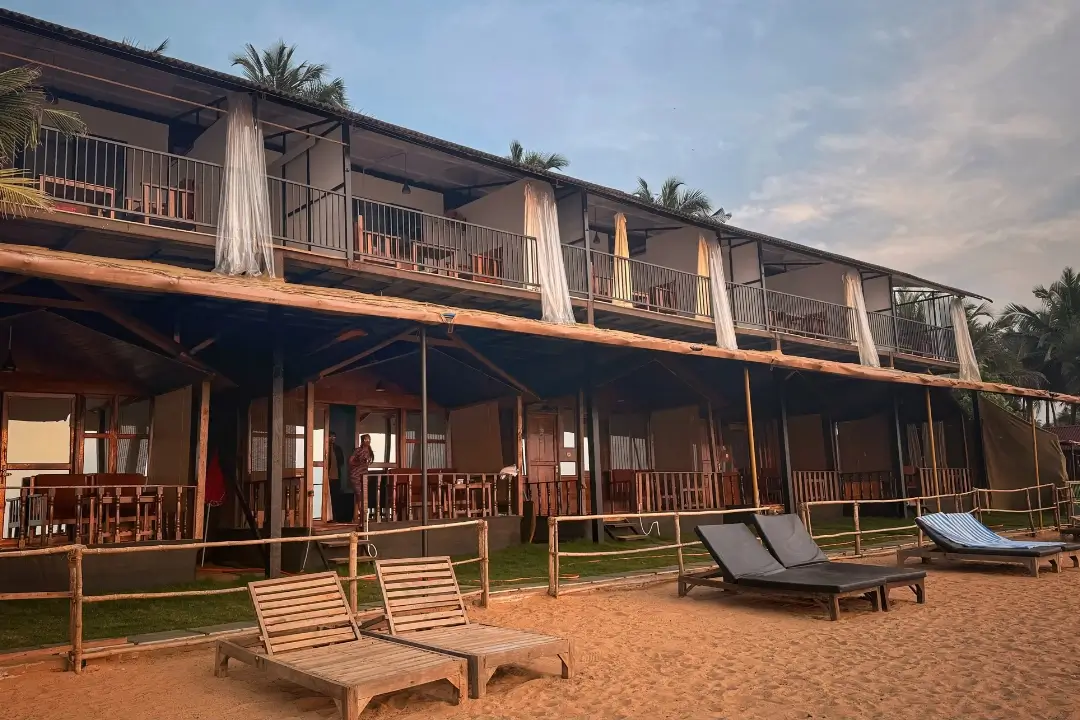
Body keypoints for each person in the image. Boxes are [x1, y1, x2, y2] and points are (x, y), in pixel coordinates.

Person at [349, 433, 375, 524]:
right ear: (362, 441)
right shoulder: (358, 450)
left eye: (369, 439)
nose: (367, 441)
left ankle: (357, 518)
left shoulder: (369, 451)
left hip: (364, 476)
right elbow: (350, 461)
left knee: (362, 496)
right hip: (356, 475)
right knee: (359, 495)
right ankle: (362, 518)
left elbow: (368, 463)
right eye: (365, 440)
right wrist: (359, 463)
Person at [327, 432, 348, 523]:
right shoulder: (325, 447)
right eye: (330, 436)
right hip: (326, 477)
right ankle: (327, 517)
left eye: (334, 436)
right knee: (327, 497)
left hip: (336, 477)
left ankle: (335, 517)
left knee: (335, 497)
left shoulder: (337, 448)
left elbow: (341, 462)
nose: (332, 438)